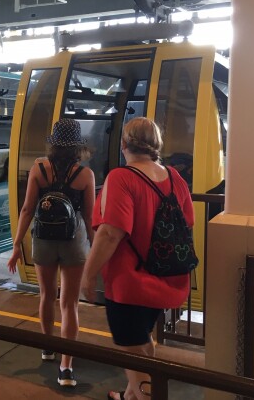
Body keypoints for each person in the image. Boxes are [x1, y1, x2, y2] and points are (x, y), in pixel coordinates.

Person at [80, 117, 194, 400]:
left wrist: (88, 274)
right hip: (164, 279)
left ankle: (141, 395)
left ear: (123, 145)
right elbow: (187, 223)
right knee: (143, 342)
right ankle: (130, 395)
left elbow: (110, 233)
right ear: (156, 145)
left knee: (133, 353)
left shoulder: (122, 177)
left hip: (129, 283)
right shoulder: (174, 178)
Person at [7, 118, 95, 388]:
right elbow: (90, 218)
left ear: (53, 144)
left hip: (43, 239)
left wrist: (16, 246)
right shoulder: (85, 175)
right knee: (70, 304)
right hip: (73, 241)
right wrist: (93, 250)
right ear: (78, 147)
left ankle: (48, 348)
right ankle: (66, 367)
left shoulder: (39, 168)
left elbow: (27, 209)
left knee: (46, 296)